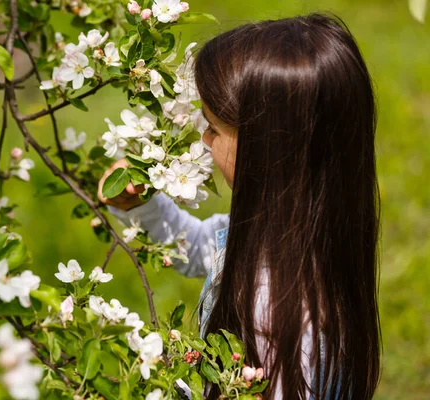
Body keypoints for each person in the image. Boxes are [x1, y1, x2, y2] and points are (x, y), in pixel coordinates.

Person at [97, 12, 381, 400]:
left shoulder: (280, 312)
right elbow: (202, 246)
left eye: (214, 128)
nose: (203, 139)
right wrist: (141, 206)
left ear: (266, 150)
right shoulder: (294, 230)